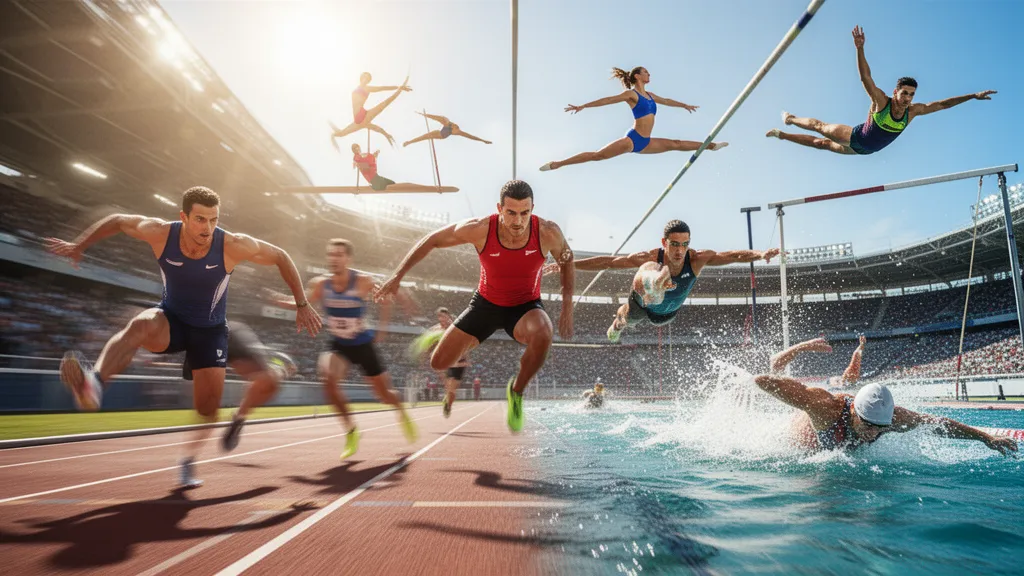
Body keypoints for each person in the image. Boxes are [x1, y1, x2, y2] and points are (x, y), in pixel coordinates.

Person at [45, 186, 321, 487]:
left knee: (208, 410)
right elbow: (119, 220)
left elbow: (280, 255)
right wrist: (80, 245)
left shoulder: (231, 245)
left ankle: (188, 461)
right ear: (184, 217)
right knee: (140, 324)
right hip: (171, 320)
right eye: (200, 220)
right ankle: (94, 383)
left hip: (210, 332)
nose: (208, 228)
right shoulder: (161, 233)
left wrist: (302, 303)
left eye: (213, 220)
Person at [377, 180, 575, 433]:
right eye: (511, 213)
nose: (518, 221)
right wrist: (397, 276)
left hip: (524, 306)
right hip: (485, 305)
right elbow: (432, 239)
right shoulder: (480, 228)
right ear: (499, 209)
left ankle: (516, 392)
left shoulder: (547, 232)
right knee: (439, 363)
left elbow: (567, 259)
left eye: (525, 213)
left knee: (544, 331)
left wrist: (567, 305)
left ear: (532, 209)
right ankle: (469, 338)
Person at [265, 238, 418, 461]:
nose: (334, 259)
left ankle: (401, 411)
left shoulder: (362, 281)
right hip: (339, 344)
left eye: (339, 255)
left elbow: (387, 297)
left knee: (384, 395)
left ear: (348, 259)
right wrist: (280, 300)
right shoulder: (320, 284)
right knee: (327, 379)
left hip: (363, 343)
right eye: (331, 254)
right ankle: (352, 431)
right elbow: (302, 301)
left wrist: (382, 329)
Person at [765, 26, 996, 156]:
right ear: (896, 92)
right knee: (821, 129)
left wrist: (972, 96)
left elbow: (943, 104)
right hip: (853, 137)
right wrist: (860, 49)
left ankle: (780, 135)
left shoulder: (914, 111)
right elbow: (866, 77)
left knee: (821, 145)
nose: (908, 99)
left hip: (862, 152)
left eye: (912, 94)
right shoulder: (881, 101)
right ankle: (791, 119)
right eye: (905, 93)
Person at [548, 220, 778, 342]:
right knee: (630, 309)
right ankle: (652, 284)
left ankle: (657, 287)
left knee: (648, 310)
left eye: (684, 244)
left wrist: (760, 254)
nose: (680, 250)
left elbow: (732, 256)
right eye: (674, 244)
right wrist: (569, 264)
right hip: (642, 302)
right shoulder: (650, 255)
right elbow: (609, 262)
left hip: (665, 314)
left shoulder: (696, 259)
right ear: (664, 241)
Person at [753, 375, 1018, 455]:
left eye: (880, 428)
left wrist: (985, 437)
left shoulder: (892, 420)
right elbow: (767, 382)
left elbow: (939, 424)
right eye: (868, 425)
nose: (874, 433)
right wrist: (751, 381)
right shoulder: (827, 407)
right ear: (854, 411)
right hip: (800, 447)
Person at [539, 66, 727, 171]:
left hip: (646, 142)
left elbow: (667, 100)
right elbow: (609, 100)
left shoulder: (651, 95)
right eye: (646, 72)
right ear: (637, 76)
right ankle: (558, 164)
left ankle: (711, 146)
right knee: (598, 156)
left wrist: (684, 105)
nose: (649, 74)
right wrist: (583, 106)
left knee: (676, 144)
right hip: (633, 139)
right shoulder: (631, 94)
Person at [330, 73, 411, 147]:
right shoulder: (361, 124)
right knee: (342, 133)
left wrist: (398, 87)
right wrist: (386, 134)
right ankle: (400, 88)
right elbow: (377, 129)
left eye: (368, 79)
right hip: (358, 120)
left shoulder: (367, 88)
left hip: (363, 115)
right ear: (361, 78)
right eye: (364, 77)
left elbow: (382, 88)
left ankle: (401, 88)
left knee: (386, 102)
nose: (366, 79)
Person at [423, 307, 471, 418]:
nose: (442, 319)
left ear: (448, 316)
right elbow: (428, 343)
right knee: (448, 387)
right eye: (440, 316)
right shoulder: (435, 330)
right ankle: (447, 400)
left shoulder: (455, 327)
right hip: (447, 360)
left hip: (459, 361)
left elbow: (465, 343)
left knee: (452, 390)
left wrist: (466, 359)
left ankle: (448, 404)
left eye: (444, 316)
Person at [769, 335, 866, 389]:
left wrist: (802, 347)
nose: (840, 376)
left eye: (838, 379)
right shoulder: (826, 394)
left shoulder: (815, 394)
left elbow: (775, 365)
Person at [351, 143, 447, 192]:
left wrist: (375, 154)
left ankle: (377, 186)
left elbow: (372, 159)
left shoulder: (367, 155)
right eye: (355, 149)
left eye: (357, 147)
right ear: (354, 151)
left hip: (376, 177)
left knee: (392, 183)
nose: (357, 149)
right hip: (374, 180)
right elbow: (356, 163)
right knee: (393, 185)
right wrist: (357, 164)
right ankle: (375, 186)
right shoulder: (357, 157)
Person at [404, 111, 492, 147]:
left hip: (442, 135)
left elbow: (470, 136)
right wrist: (425, 115)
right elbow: (435, 118)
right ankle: (409, 142)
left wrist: (483, 140)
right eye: (453, 125)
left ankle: (409, 142)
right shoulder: (446, 121)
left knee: (427, 136)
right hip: (439, 131)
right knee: (425, 135)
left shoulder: (457, 131)